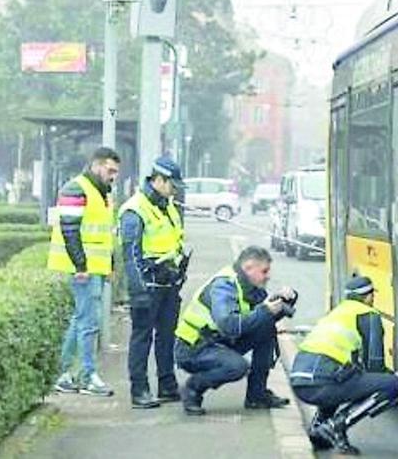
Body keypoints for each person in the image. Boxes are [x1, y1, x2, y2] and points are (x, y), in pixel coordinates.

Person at [290, 276, 398, 455]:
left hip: (299, 381)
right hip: (322, 382)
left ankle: (320, 426)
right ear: (368, 297)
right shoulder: (368, 315)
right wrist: (396, 377)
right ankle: (336, 425)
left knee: (344, 378)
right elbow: (374, 365)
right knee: (392, 384)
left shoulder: (337, 312)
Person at [174, 246, 295, 415]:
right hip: (193, 348)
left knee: (266, 329)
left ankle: (257, 396)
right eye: (264, 271)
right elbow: (229, 325)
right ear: (249, 268)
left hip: (217, 341)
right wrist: (266, 311)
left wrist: (283, 301)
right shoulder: (224, 286)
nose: (268, 276)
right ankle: (192, 389)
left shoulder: (248, 284)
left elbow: (261, 318)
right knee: (237, 366)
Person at [49, 146, 120, 397]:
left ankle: (64, 373)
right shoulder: (76, 188)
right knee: (88, 322)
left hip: (93, 269)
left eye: (116, 172)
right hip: (82, 269)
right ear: (96, 165)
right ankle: (87, 376)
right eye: (110, 170)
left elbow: (106, 234)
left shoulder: (104, 194)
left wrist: (109, 265)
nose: (113, 176)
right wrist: (81, 266)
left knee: (81, 319)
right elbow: (70, 230)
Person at [119, 156, 190, 409]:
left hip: (169, 284)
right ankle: (139, 390)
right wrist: (139, 292)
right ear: (158, 180)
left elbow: (172, 242)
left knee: (167, 337)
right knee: (142, 338)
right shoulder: (135, 209)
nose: (175, 189)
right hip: (147, 286)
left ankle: (167, 385)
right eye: (172, 184)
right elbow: (131, 254)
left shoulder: (167, 206)